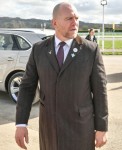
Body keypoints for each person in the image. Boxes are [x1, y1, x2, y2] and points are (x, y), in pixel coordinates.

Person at [15, 2, 108, 150]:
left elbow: (100, 90)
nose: (75, 23)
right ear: (54, 23)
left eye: (76, 18)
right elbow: (27, 87)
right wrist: (21, 123)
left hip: (81, 129)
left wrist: (102, 128)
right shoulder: (39, 50)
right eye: (69, 18)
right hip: (49, 129)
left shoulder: (90, 50)